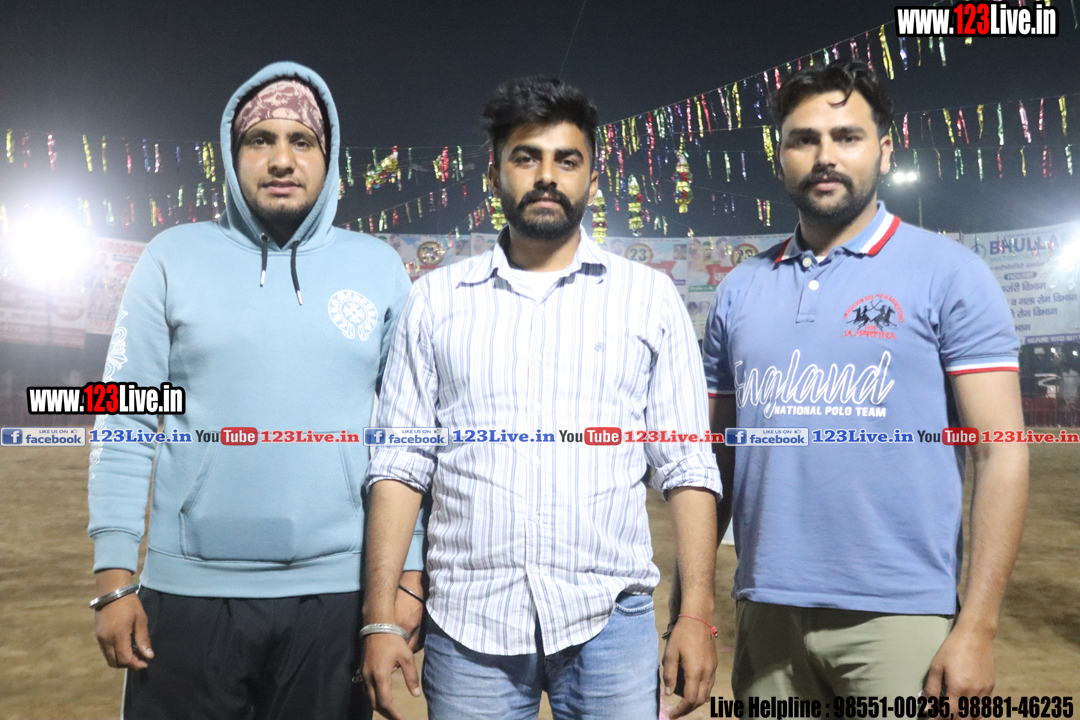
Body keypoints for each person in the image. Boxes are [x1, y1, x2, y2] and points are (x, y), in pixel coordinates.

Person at [360, 77, 722, 720]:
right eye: (526, 157)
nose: (547, 176)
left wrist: (696, 612)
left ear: (592, 178)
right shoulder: (436, 301)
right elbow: (399, 465)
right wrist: (379, 617)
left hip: (611, 622)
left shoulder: (648, 298)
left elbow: (687, 464)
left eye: (567, 160)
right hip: (469, 627)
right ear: (494, 175)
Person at [87, 62, 425, 719]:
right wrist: (114, 577)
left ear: (328, 158)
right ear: (231, 153)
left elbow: (403, 444)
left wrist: (406, 577)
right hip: (187, 595)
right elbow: (124, 418)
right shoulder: (171, 258)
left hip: (336, 599)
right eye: (259, 139)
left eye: (302, 141)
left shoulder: (378, 269)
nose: (281, 159)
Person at [701, 60, 1029, 705]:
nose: (825, 155)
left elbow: (1002, 452)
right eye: (804, 139)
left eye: (847, 137)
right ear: (781, 157)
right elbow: (714, 462)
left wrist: (978, 627)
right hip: (766, 609)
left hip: (902, 616)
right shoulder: (739, 289)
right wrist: (691, 610)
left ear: (884, 151)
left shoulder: (949, 273)